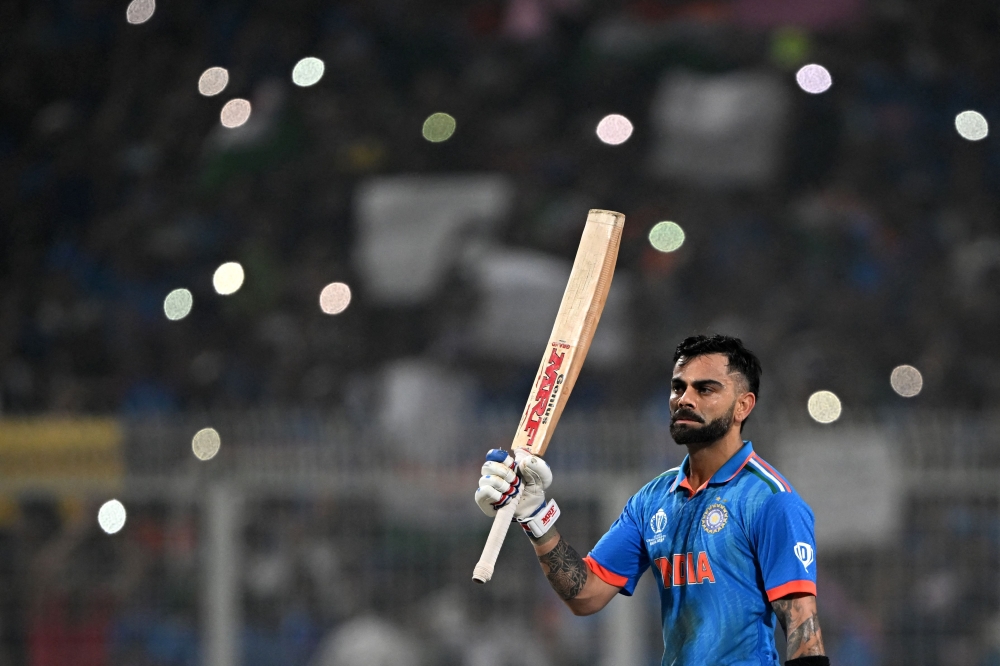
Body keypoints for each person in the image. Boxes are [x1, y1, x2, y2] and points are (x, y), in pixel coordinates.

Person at [476, 334, 828, 666]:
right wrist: (535, 515)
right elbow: (586, 595)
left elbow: (803, 629)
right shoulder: (652, 500)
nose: (684, 399)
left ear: (742, 406)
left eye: (705, 389)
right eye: (678, 387)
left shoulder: (770, 500)